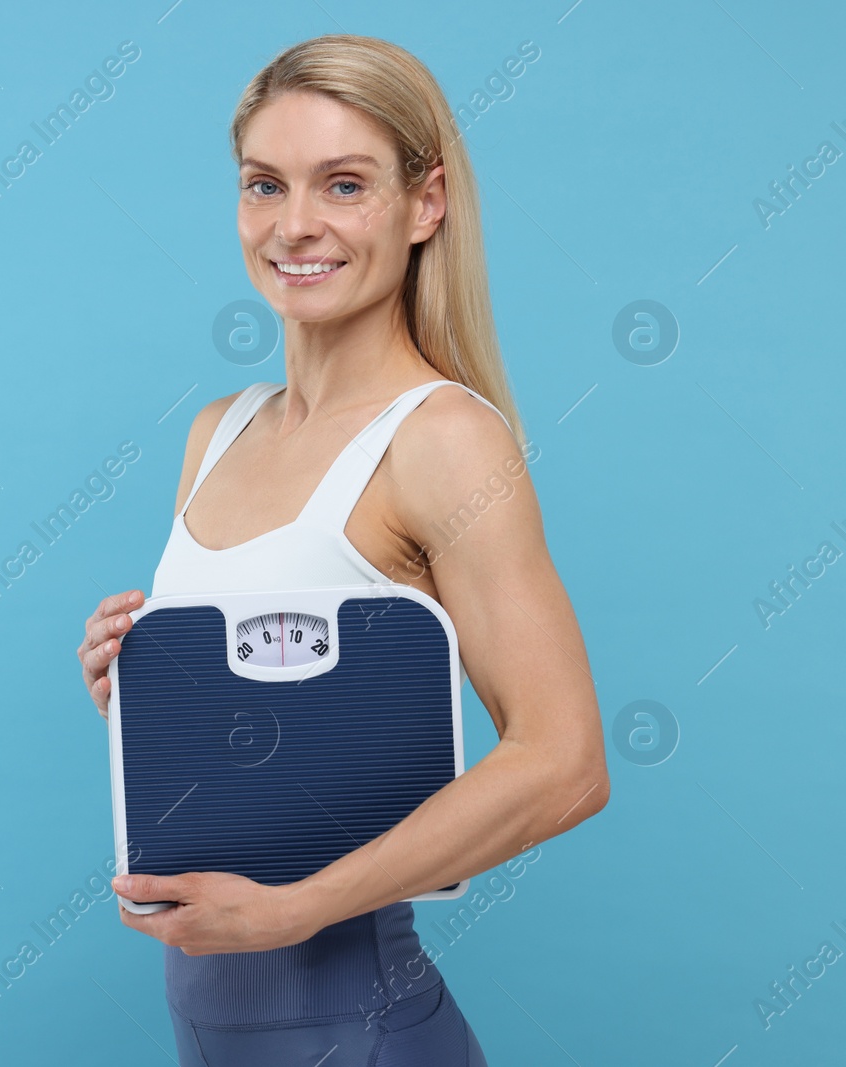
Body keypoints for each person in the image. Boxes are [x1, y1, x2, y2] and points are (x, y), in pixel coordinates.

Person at [77, 34, 609, 1066]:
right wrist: (142, 690)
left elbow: (565, 759)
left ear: (425, 203)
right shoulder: (218, 430)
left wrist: (294, 908)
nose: (295, 224)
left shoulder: (442, 440)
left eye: (345, 184)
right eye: (264, 184)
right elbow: (278, 737)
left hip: (354, 1027)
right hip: (212, 1029)